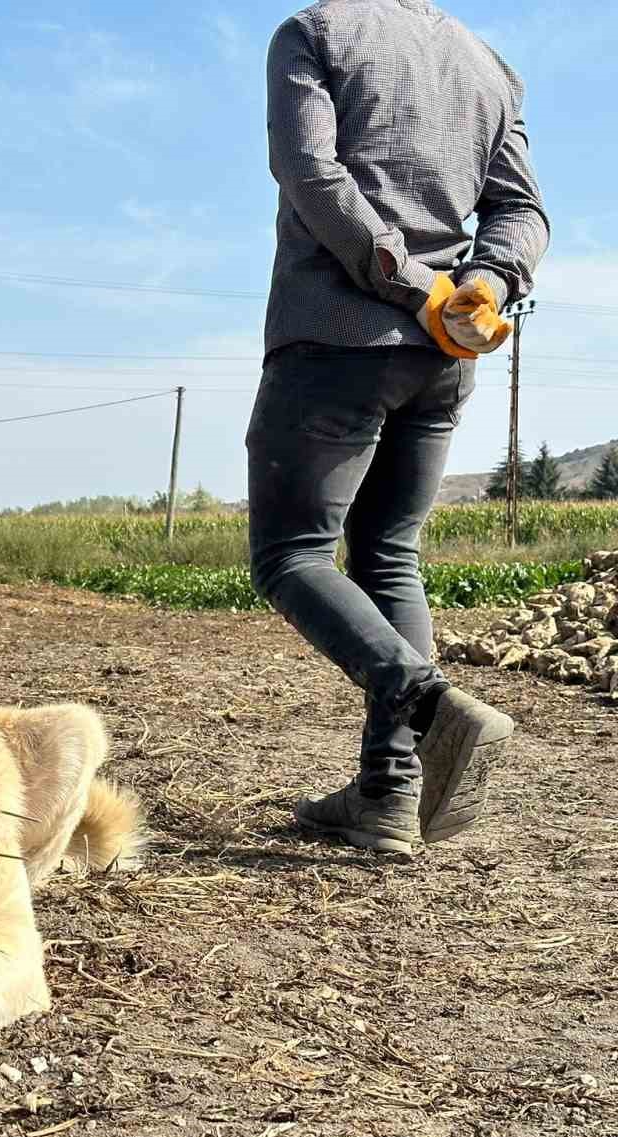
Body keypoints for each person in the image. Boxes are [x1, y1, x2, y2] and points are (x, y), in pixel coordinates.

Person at [248, 1, 550, 855]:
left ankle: (425, 701)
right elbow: (521, 210)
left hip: (336, 337)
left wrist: (412, 283)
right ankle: (390, 796)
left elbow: (309, 173)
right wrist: (484, 286)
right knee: (388, 554)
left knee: (291, 554)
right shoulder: (487, 63)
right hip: (444, 356)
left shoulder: (313, 34)